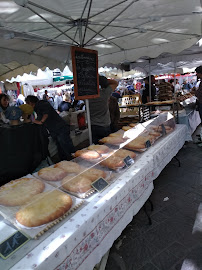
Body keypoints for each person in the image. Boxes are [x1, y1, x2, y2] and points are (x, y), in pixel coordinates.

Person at [25, 95, 75, 161]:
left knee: (66, 147)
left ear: (30, 102)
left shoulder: (41, 103)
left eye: (27, 103)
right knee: (61, 148)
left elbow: (46, 114)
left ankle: (76, 161)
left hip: (60, 128)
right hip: (55, 130)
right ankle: (66, 163)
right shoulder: (36, 108)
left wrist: (40, 122)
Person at [88, 75, 118, 144]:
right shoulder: (104, 93)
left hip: (92, 126)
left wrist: (94, 80)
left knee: (95, 148)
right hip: (104, 125)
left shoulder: (88, 96)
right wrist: (104, 81)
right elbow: (115, 83)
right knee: (107, 147)